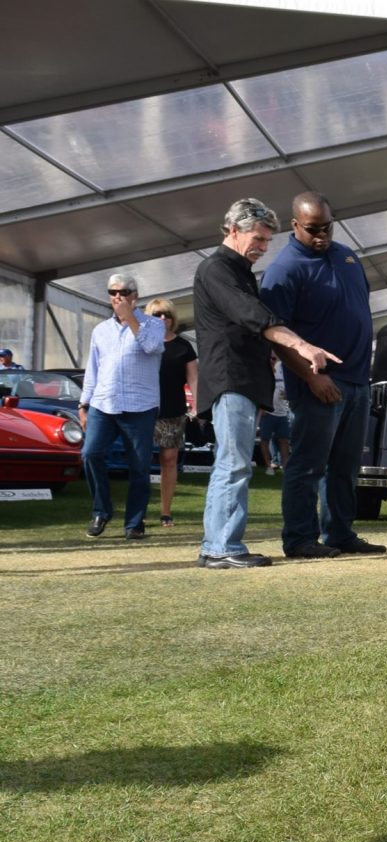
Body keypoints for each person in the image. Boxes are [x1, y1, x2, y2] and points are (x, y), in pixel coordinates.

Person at [192, 198, 340, 569]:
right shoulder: (216, 269)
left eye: (267, 241)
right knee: (235, 462)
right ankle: (221, 545)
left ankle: (218, 544)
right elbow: (252, 315)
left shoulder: (238, 270)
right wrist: (301, 345)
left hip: (241, 379)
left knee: (233, 461)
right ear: (232, 231)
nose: (262, 246)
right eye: (257, 238)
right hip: (230, 379)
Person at [260, 192, 385, 559]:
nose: (321, 236)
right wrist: (311, 377)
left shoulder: (345, 255)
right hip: (318, 384)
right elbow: (276, 335)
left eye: (327, 227)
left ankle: (340, 533)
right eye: (312, 229)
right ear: (295, 225)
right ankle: (299, 538)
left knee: (346, 465)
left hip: (358, 379)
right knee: (309, 464)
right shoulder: (284, 270)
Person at [78, 274, 165, 540]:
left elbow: (151, 347)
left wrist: (130, 318)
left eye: (124, 291)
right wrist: (84, 403)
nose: (118, 296)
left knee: (139, 467)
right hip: (104, 403)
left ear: (135, 295)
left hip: (140, 406)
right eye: (113, 292)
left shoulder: (153, 324)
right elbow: (93, 369)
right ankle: (101, 511)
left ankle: (135, 523)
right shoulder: (100, 330)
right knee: (90, 454)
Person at [145, 297, 198, 529]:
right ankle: (139, 510)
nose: (163, 319)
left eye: (166, 315)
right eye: (157, 315)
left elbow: (193, 378)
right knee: (140, 461)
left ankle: (166, 512)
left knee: (169, 460)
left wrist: (197, 405)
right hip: (144, 408)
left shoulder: (183, 346)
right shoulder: (141, 342)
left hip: (173, 411)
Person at [257, 354, 292, 474]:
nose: (273, 360)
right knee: (265, 440)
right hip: (268, 412)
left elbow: (289, 390)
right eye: (271, 358)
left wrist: (288, 395)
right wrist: (262, 407)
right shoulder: (263, 370)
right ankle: (269, 465)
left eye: (274, 358)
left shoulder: (284, 368)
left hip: (282, 413)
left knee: (284, 440)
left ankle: (286, 466)